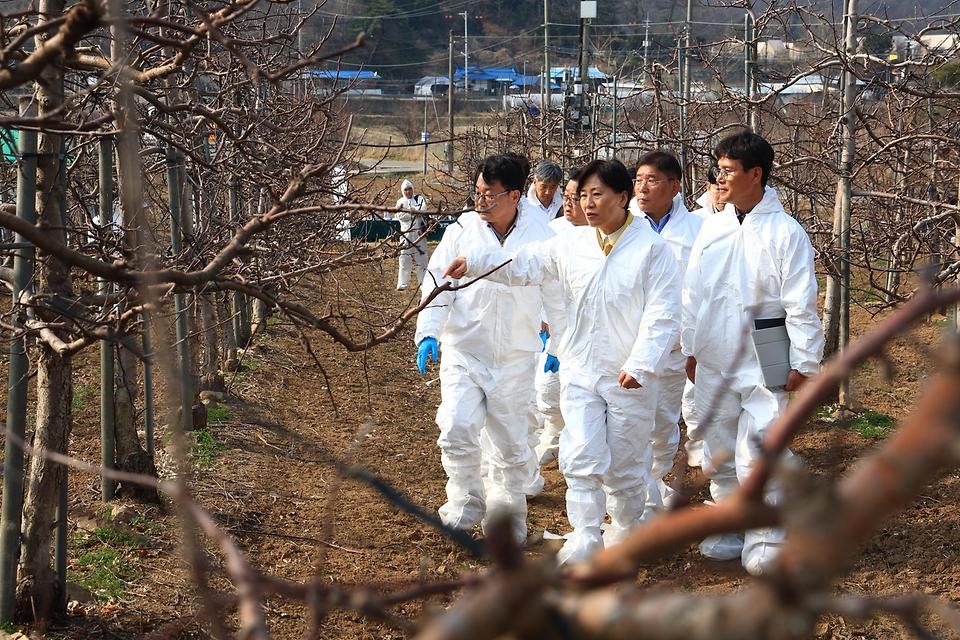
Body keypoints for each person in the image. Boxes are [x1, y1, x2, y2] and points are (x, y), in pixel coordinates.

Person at [443, 159, 681, 566]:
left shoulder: (652, 250)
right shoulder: (570, 243)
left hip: (629, 378)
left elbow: (663, 314)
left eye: (598, 195)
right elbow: (523, 263)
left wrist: (641, 363)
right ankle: (586, 533)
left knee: (624, 466)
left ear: (622, 198)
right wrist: (477, 264)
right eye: (583, 195)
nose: (587, 204)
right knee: (581, 456)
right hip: (582, 369)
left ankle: (624, 529)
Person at [681, 130, 824, 576]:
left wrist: (804, 361)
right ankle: (731, 524)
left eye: (727, 170)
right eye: (718, 169)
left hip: (765, 356)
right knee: (717, 448)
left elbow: (801, 301)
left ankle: (767, 537)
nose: (719, 178)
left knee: (759, 451)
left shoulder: (785, 232)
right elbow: (692, 292)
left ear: (755, 174)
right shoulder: (713, 227)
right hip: (714, 356)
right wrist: (690, 346)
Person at [414, 155, 564, 545]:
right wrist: (429, 331)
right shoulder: (462, 231)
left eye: (490, 195)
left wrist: (558, 341)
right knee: (456, 427)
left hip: (516, 356)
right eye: (477, 193)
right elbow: (436, 284)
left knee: (511, 445)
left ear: (515, 195)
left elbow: (556, 292)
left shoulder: (541, 234)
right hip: (465, 348)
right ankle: (465, 500)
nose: (480, 202)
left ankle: (507, 515)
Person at [627, 151, 704, 505]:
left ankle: (654, 482)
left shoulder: (698, 230)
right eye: (639, 179)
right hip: (630, 344)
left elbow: (706, 291)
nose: (642, 187)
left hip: (675, 348)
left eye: (652, 180)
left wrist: (697, 345)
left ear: (674, 186)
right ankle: (636, 494)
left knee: (663, 424)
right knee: (630, 424)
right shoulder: (623, 224)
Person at [534, 167, 587, 466]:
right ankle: (555, 432)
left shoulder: (602, 237)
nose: (567, 203)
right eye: (564, 197)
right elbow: (536, 274)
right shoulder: (554, 231)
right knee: (546, 390)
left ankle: (572, 443)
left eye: (574, 197)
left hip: (587, 334)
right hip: (553, 329)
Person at [682, 161, 724, 467]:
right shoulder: (695, 223)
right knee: (692, 391)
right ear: (706, 188)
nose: (721, 193)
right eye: (715, 187)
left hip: (729, 315)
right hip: (697, 312)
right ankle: (697, 442)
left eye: (725, 186)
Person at [396, 180, 429, 291]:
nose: (408, 192)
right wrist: (414, 212)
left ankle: (423, 283)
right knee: (404, 259)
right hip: (405, 235)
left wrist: (410, 212)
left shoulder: (419, 199)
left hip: (419, 234)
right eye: (405, 190)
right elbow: (400, 215)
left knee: (422, 259)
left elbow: (423, 210)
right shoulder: (400, 201)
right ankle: (402, 283)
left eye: (409, 189)